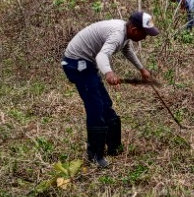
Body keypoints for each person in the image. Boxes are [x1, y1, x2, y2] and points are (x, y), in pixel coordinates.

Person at [61, 11, 159, 168]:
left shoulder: (124, 32)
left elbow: (127, 50)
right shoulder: (117, 34)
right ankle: (95, 155)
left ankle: (114, 147)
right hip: (76, 64)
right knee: (95, 107)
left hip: (87, 64)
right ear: (134, 30)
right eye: (144, 34)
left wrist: (142, 69)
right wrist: (109, 73)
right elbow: (101, 56)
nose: (145, 37)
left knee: (105, 104)